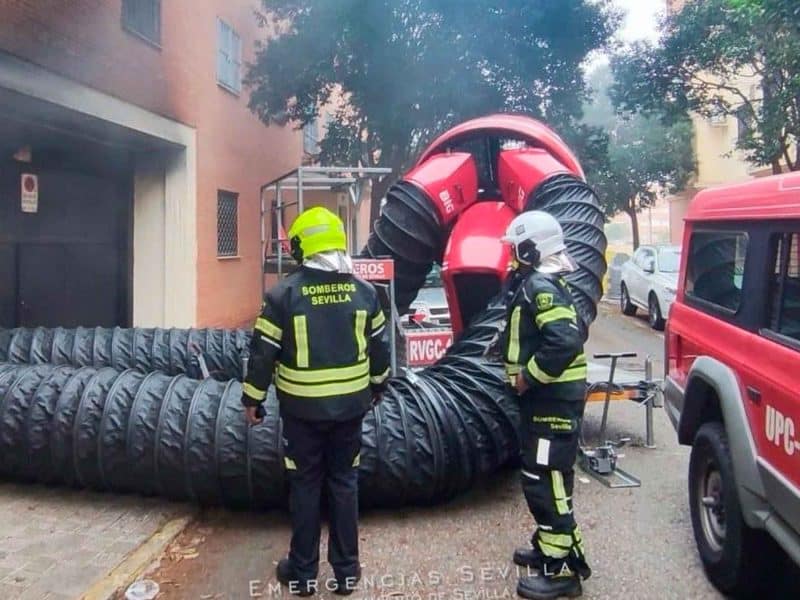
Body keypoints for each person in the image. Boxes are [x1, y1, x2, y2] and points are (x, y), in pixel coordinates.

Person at [241, 207, 391, 596]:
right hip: (350, 412)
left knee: (305, 486)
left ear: (301, 246)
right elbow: (380, 351)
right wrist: (377, 387)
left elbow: (262, 355)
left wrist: (252, 400)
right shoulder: (365, 292)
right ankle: (346, 571)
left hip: (302, 414)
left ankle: (303, 573)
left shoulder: (282, 295)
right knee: (344, 483)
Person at [500, 211, 591, 599]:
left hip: (550, 399)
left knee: (545, 479)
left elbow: (565, 341)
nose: (511, 259)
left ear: (530, 249)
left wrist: (527, 376)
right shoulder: (544, 283)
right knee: (547, 476)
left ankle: (561, 572)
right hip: (547, 401)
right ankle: (547, 545)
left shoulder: (541, 285)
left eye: (516, 251)